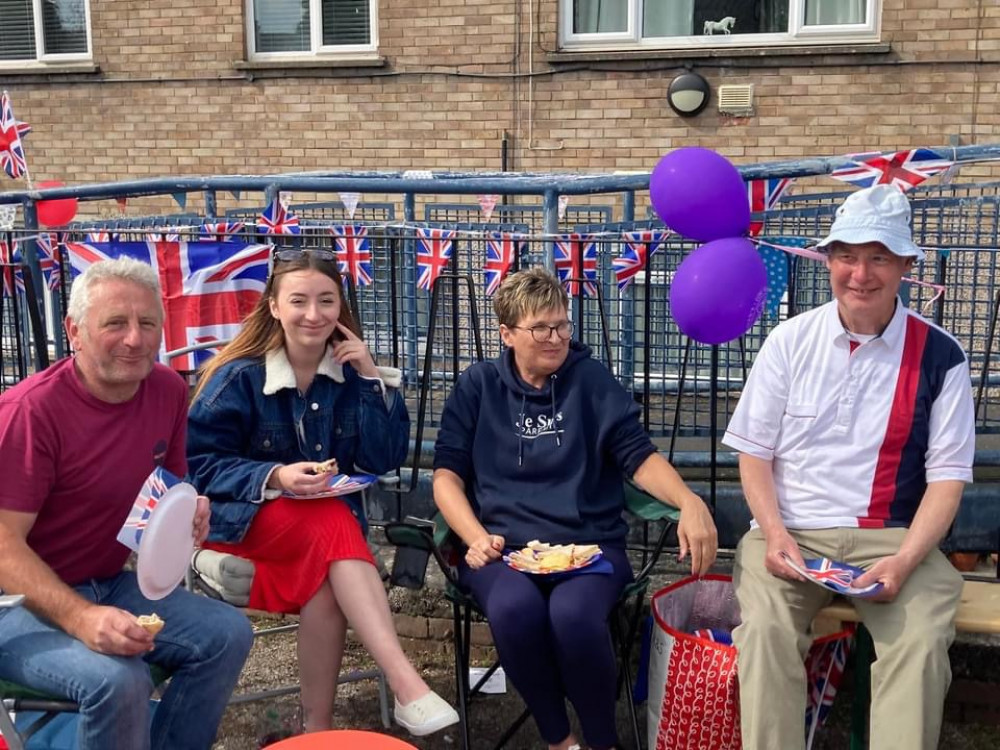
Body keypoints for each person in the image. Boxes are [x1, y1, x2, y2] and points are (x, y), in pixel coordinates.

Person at [722, 184, 976, 750]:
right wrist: (777, 534)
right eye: (847, 255)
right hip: (791, 532)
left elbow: (947, 479)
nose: (860, 273)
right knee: (762, 632)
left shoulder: (941, 354)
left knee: (920, 642)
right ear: (830, 260)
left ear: (906, 265)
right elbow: (754, 453)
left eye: (879, 256)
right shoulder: (789, 340)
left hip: (893, 539)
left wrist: (907, 559)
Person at [433, 267, 718, 750]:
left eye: (563, 324)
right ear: (507, 334)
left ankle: (603, 742)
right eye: (541, 328)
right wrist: (475, 536)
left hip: (589, 545)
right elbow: (446, 478)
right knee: (514, 607)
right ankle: (560, 739)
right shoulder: (478, 386)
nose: (556, 337)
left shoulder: (590, 381)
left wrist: (689, 500)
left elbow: (639, 457)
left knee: (573, 615)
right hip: (501, 548)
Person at [186, 248, 459, 737]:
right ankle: (404, 683)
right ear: (273, 306)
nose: (314, 315)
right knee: (335, 525)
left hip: (320, 538)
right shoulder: (237, 378)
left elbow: (383, 459)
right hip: (240, 524)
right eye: (299, 301)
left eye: (326, 301)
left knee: (330, 565)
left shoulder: (351, 374)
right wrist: (274, 477)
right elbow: (196, 468)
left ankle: (317, 733)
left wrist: (374, 379)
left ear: (340, 307)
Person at [0, 257, 254, 750]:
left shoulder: (166, 390)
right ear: (74, 331)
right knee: (119, 680)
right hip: (13, 605)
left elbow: (167, 489)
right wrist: (80, 618)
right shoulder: (30, 414)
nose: (135, 339)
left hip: (108, 584)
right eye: (115, 323)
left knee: (227, 634)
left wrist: (189, 509)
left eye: (147, 324)